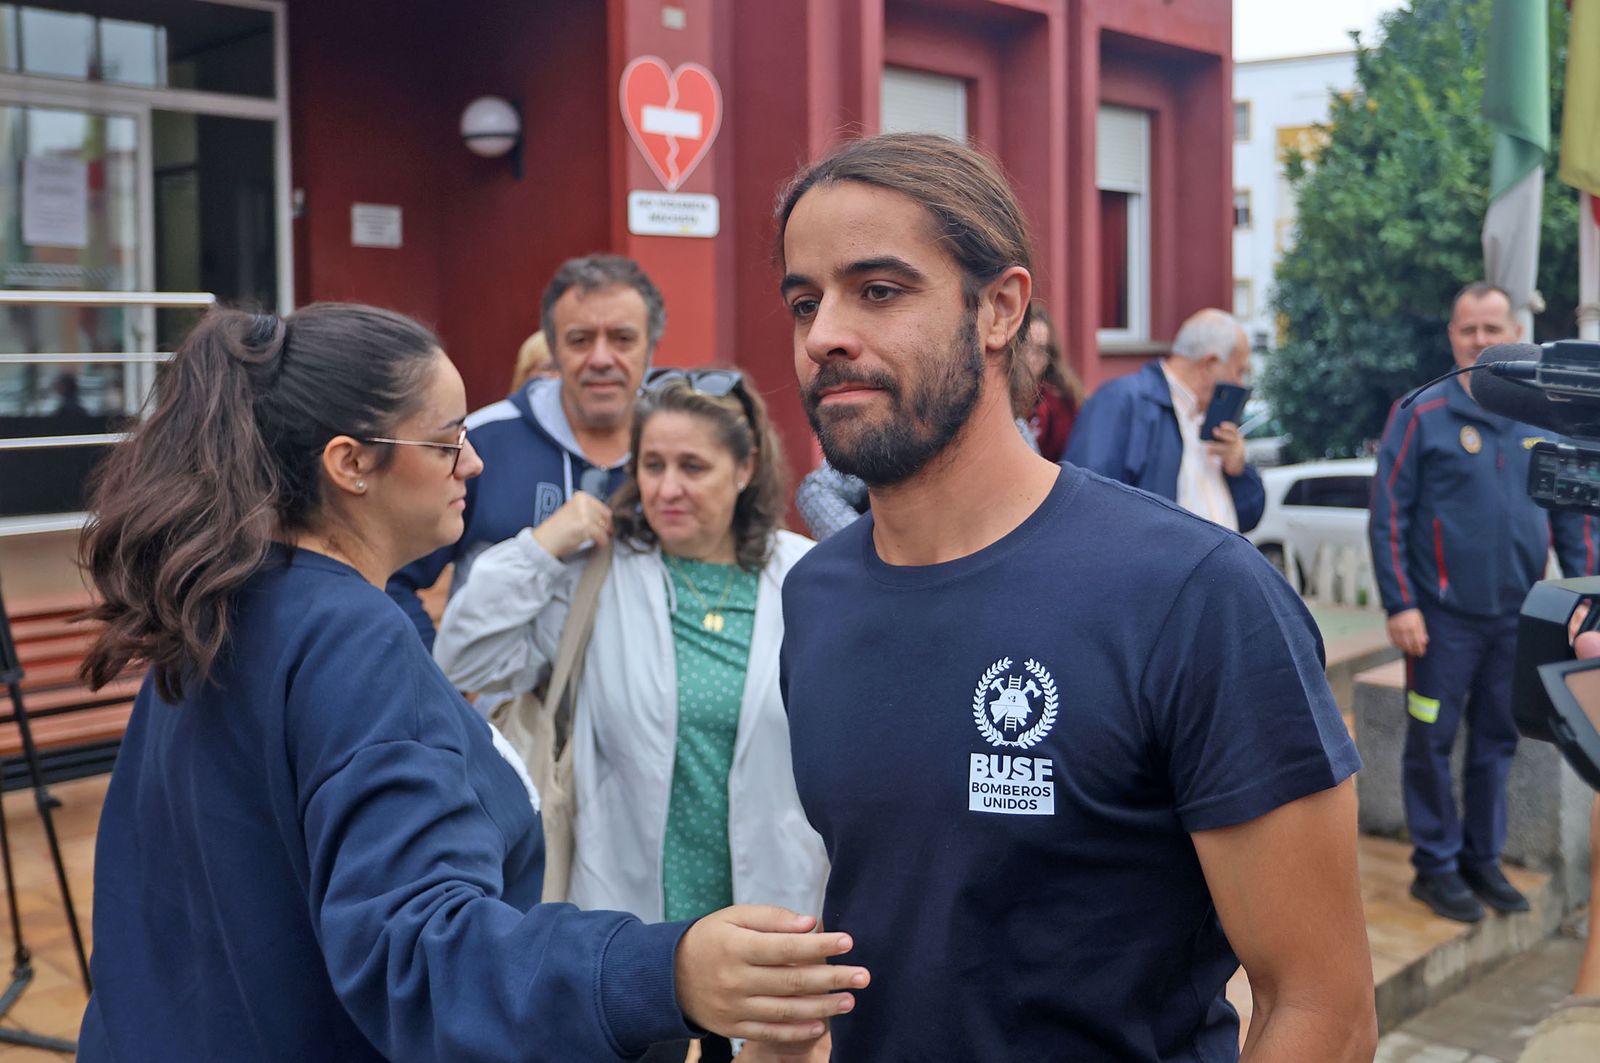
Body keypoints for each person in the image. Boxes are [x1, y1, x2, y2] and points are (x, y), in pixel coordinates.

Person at [73, 304, 866, 1062]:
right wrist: (665, 971)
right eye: (449, 441)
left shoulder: (221, 600)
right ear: (352, 463)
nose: (475, 461)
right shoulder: (350, 633)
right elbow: (419, 951)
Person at [765, 131, 1375, 1062]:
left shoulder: (1193, 596)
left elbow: (1321, 1009)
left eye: (878, 291)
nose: (824, 336)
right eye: (805, 301)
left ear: (1000, 309)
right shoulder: (815, 595)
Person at [433, 368, 829, 1063]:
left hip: (773, 925)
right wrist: (541, 544)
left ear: (746, 467)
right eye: (652, 464)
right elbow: (462, 658)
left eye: (693, 466)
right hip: (629, 932)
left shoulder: (811, 579)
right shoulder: (598, 577)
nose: (667, 487)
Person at [1370, 281, 1598, 923]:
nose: (1481, 341)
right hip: (1439, 623)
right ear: (1453, 336)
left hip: (1517, 621)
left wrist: (1584, 597)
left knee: (1499, 742)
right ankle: (1435, 869)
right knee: (1431, 740)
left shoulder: (1539, 413)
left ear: (1513, 331)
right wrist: (1400, 603)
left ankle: (1482, 861)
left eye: (1492, 329)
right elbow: (1389, 513)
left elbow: (1574, 516)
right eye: (1469, 330)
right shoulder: (1420, 413)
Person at [388, 254, 662, 648]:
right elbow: (391, 578)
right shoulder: (479, 445)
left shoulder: (681, 452)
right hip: (501, 708)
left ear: (651, 344)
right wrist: (439, 687)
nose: (601, 359)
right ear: (552, 347)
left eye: (622, 339)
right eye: (580, 340)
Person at [1064, 307, 1265, 532]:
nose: (1239, 384)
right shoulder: (1123, 401)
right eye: (1239, 371)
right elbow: (1085, 503)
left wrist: (1238, 471)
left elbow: (1250, 516)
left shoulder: (1211, 421)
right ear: (1210, 364)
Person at [1020, 302, 1082, 460]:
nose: (1030, 358)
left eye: (1040, 350)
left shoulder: (1061, 404)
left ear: (1050, 357)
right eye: (1024, 346)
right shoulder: (993, 395)